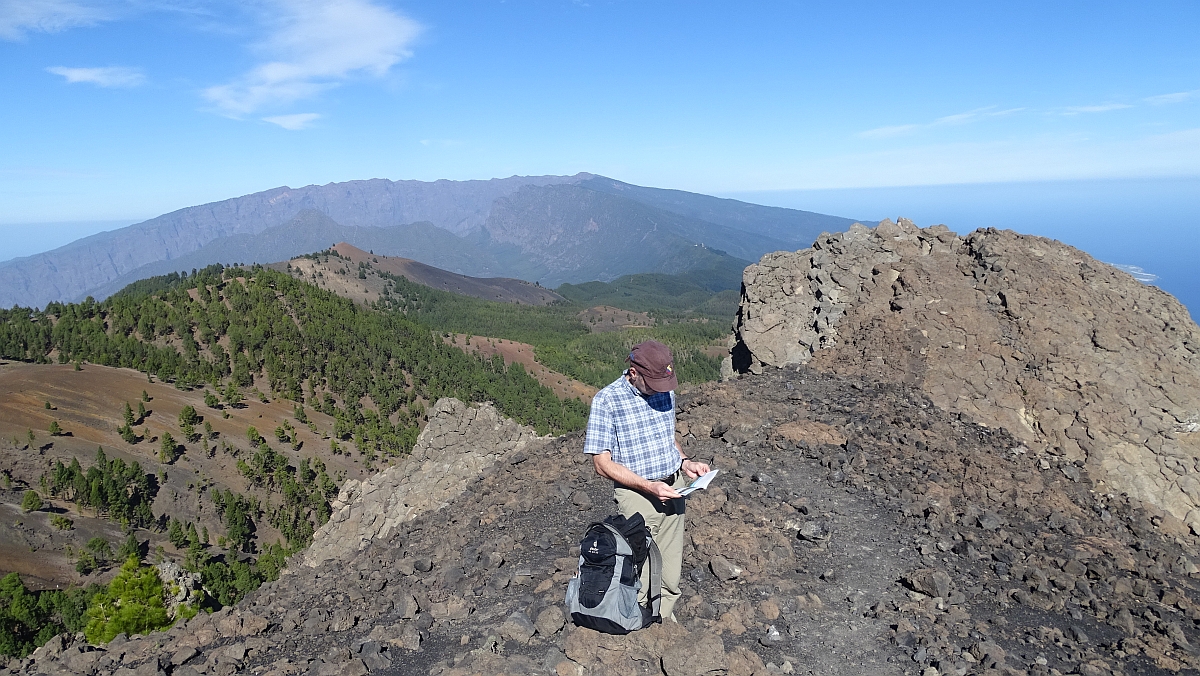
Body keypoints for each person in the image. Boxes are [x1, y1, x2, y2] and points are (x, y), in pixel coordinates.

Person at [583, 340, 710, 621]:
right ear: (633, 372)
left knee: (670, 565)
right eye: (652, 383)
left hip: (673, 486)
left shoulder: (664, 390)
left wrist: (685, 462)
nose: (660, 390)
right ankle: (635, 617)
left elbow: (667, 437)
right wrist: (648, 487)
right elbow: (601, 464)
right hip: (638, 495)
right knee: (638, 562)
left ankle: (663, 616)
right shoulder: (607, 400)